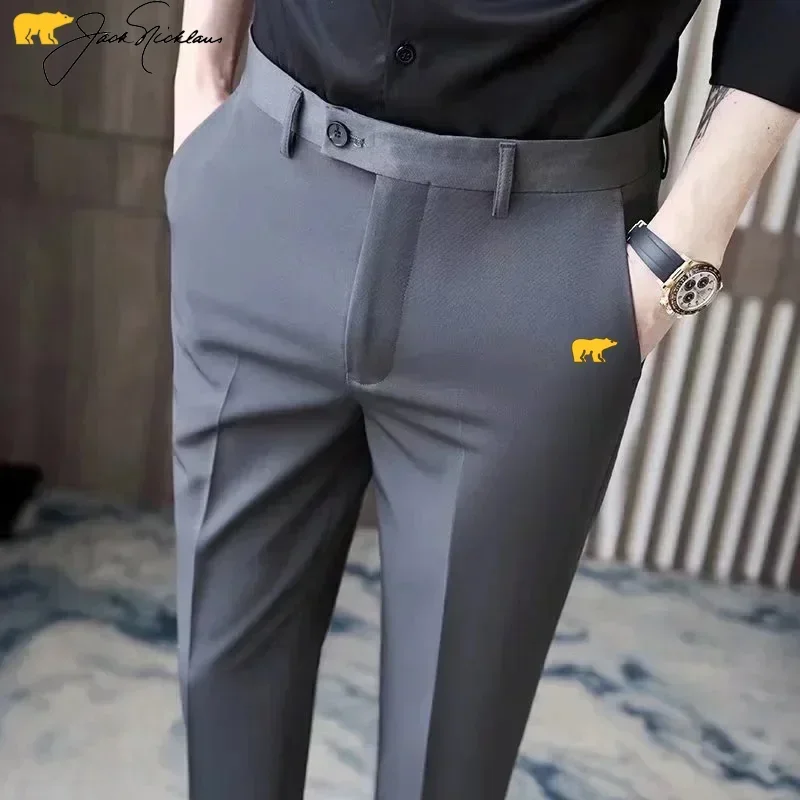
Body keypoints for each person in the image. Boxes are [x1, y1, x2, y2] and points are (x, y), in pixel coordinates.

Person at [166, 1, 799, 797]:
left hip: (544, 258)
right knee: (224, 699)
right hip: (264, 181)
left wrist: (680, 254)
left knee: (452, 757)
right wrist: (199, 77)